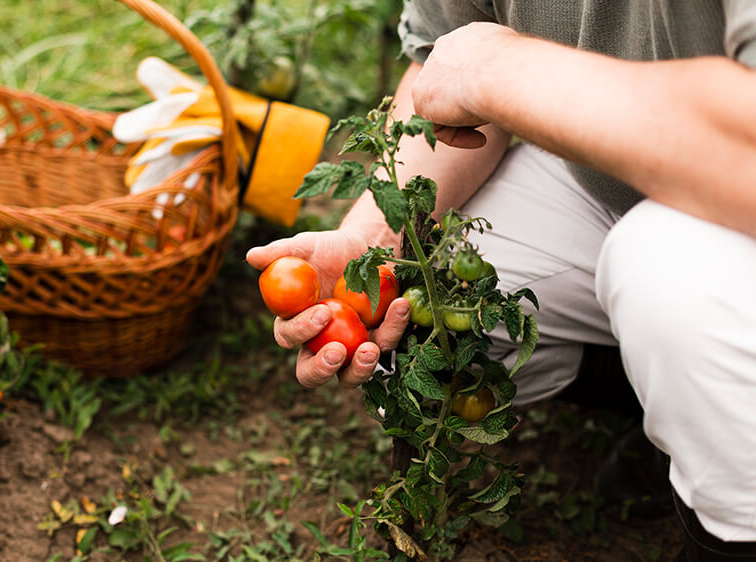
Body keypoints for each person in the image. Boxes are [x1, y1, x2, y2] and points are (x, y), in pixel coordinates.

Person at [246, 2, 756, 559]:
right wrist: (374, 243)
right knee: (428, 321)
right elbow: (444, 68)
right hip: (599, 174)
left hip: (737, 198)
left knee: (668, 279)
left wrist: (497, 69)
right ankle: (671, 415)